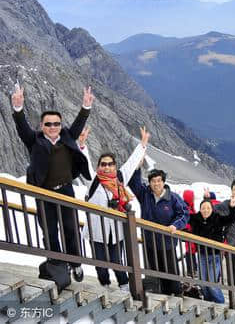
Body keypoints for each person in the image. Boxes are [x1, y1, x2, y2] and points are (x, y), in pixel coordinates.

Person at [11, 83, 94, 282]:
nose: (52, 127)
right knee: (49, 232)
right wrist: (18, 109)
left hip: (65, 190)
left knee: (71, 228)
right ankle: (57, 265)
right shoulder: (35, 140)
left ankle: (75, 264)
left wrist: (86, 107)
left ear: (60, 125)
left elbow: (77, 125)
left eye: (56, 124)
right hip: (44, 193)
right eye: (48, 124)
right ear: (42, 126)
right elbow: (22, 129)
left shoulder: (66, 136)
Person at [79, 126, 148, 291]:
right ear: (99, 166)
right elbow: (85, 163)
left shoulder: (120, 178)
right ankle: (105, 284)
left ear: (115, 166)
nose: (107, 167)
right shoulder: (93, 181)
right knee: (100, 263)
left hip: (116, 230)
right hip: (97, 231)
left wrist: (143, 145)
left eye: (110, 164)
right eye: (103, 164)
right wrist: (82, 145)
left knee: (118, 260)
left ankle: (124, 285)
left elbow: (131, 163)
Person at [127, 161, 189, 296]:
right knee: (155, 271)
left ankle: (177, 295)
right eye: (153, 181)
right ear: (149, 183)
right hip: (149, 241)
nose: (156, 184)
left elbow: (184, 213)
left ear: (163, 182)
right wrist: (138, 166)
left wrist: (175, 225)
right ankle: (160, 295)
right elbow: (133, 183)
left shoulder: (172, 198)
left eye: (159, 181)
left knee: (170, 272)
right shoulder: (145, 194)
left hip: (167, 242)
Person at [190, 188, 235, 303]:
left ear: (212, 209)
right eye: (203, 208)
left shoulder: (217, 218)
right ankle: (208, 303)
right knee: (203, 283)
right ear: (200, 209)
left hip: (214, 256)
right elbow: (184, 217)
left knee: (211, 283)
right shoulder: (196, 219)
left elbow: (231, 219)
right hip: (201, 255)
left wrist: (232, 207)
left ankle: (221, 304)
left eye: (208, 208)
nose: (205, 210)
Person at [182, 189, 199, 278]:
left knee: (190, 250)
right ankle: (192, 270)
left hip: (190, 233)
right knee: (190, 250)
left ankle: (192, 270)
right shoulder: (186, 208)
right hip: (189, 233)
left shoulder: (186, 206)